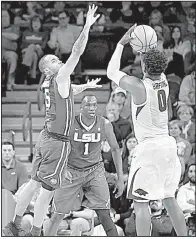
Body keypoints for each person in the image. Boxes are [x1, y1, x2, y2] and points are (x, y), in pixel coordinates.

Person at [3, 4, 100, 237]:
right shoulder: (59, 76)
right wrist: (86, 26)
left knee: (33, 184)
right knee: (45, 193)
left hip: (45, 138)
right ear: (48, 70)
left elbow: (69, 91)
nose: (60, 61)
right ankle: (36, 232)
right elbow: (76, 52)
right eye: (55, 60)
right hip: (57, 142)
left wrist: (86, 86)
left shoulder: (50, 83)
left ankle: (13, 224)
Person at [107, 24, 187, 236]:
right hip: (167, 146)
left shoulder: (139, 86)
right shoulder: (164, 80)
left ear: (143, 64)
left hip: (149, 148)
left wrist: (121, 44)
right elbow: (153, 61)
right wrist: (147, 47)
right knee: (169, 199)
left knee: (141, 203)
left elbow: (111, 72)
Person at [44, 95, 124, 236]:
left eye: (94, 105)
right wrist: (60, 168)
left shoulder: (104, 124)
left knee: (104, 214)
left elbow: (116, 149)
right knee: (56, 215)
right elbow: (57, 146)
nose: (92, 108)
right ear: (81, 107)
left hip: (94, 170)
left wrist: (120, 178)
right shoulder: (69, 123)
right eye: (88, 105)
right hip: (71, 170)